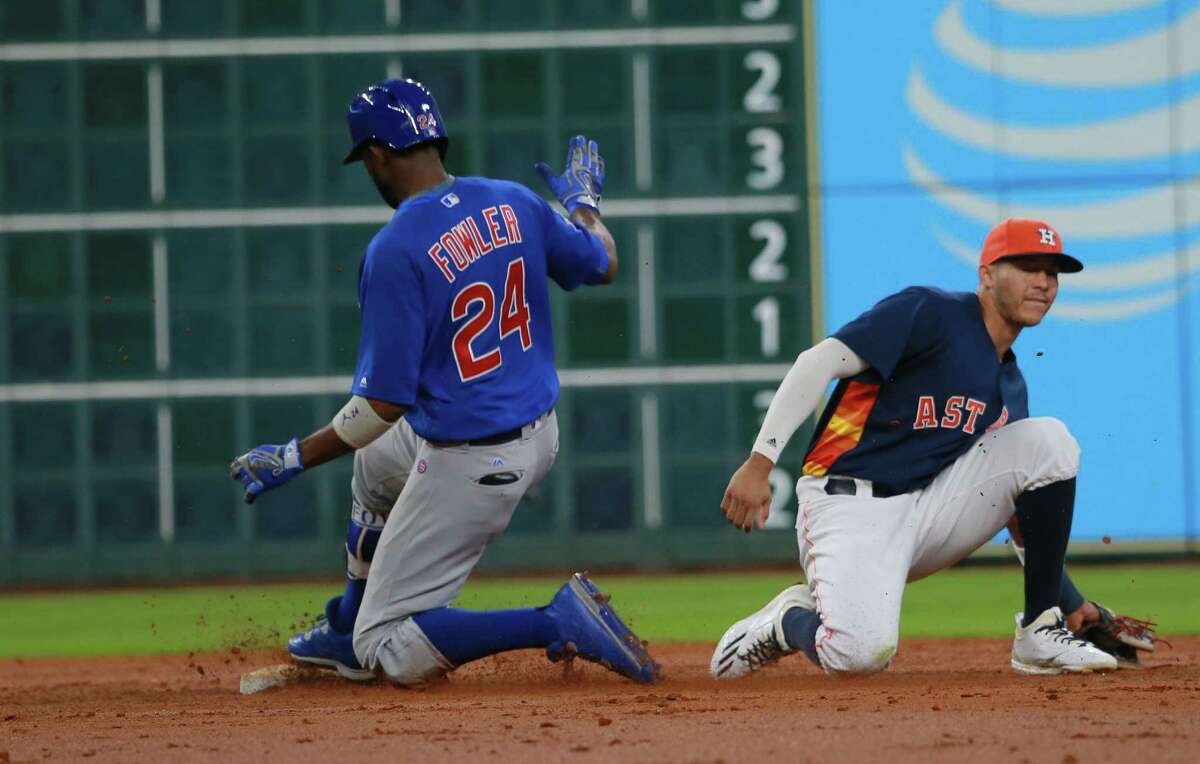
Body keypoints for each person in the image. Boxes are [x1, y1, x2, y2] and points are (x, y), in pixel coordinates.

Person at [229, 78, 658, 686]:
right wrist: (584, 202)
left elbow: (382, 402)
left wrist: (296, 454)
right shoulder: (513, 200)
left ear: (377, 156)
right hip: (534, 433)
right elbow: (603, 260)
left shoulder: (396, 249)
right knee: (377, 463)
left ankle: (553, 620)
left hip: (474, 459)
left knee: (393, 650)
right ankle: (347, 625)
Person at [711, 218, 1123, 678]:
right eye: (1027, 267)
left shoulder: (1010, 385)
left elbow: (1021, 511)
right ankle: (788, 620)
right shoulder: (929, 312)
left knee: (1049, 441)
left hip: (929, 514)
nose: (1043, 283)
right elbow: (818, 361)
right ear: (986, 274)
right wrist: (760, 461)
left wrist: (1069, 601)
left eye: (1052, 273)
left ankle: (1040, 628)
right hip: (849, 502)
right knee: (859, 655)